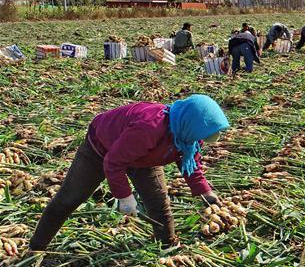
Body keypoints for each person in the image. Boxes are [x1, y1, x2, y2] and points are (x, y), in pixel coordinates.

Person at [29, 95, 230, 251]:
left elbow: (190, 160)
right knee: (69, 199)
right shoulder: (149, 127)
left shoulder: (189, 134)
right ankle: (36, 249)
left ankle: (168, 247)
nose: (204, 139)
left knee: (158, 203)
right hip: (101, 150)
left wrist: (204, 191)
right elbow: (113, 162)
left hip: (144, 156)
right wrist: (124, 197)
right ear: (191, 122)